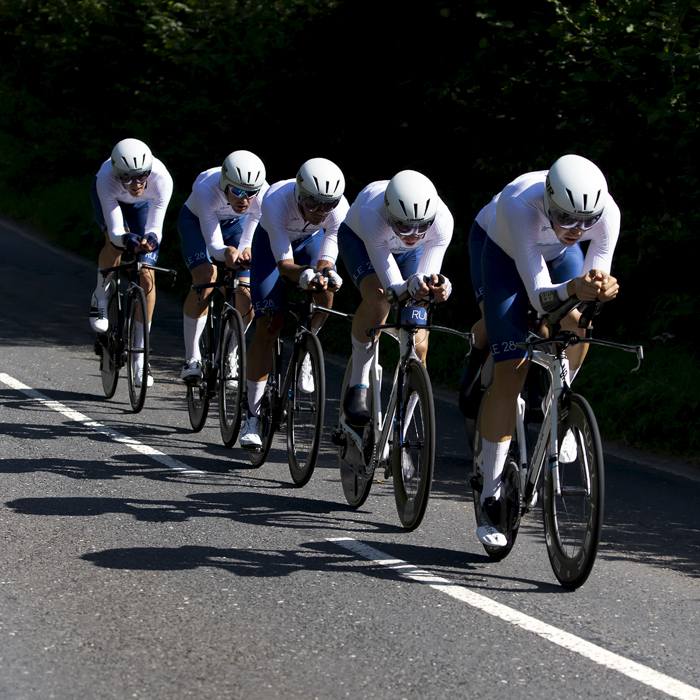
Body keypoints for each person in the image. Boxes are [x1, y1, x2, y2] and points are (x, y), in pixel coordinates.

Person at [474, 154, 620, 547]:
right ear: (549, 203)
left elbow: (591, 283)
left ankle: (558, 398)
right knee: (513, 369)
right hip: (503, 249)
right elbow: (541, 299)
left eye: (587, 221)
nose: (578, 230)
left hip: (552, 258)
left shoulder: (607, 213)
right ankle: (490, 497)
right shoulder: (520, 203)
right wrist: (574, 289)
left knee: (579, 322)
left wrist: (599, 289)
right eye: (567, 219)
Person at [239, 157, 348, 449]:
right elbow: (286, 266)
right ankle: (251, 415)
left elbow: (327, 253)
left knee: (325, 292)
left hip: (308, 243)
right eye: (312, 203)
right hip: (272, 249)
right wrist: (306, 274)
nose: (319, 212)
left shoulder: (339, 210)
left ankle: (308, 347)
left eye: (327, 205)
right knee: (269, 325)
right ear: (299, 193)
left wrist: (326, 274)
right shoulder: (275, 200)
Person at [338, 170, 454, 427]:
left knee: (420, 340)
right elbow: (393, 289)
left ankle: (401, 427)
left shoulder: (443, 220)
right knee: (380, 298)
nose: (413, 234)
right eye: (403, 225)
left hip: (408, 254)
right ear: (390, 214)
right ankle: (359, 383)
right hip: (362, 241)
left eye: (422, 226)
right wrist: (409, 286)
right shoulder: (372, 213)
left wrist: (437, 286)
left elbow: (425, 278)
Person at [178, 150, 269, 384]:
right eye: (237, 191)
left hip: (237, 225)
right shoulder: (206, 189)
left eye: (250, 193)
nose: (244, 199)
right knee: (206, 277)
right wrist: (227, 253)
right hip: (197, 223)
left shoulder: (263, 193)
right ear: (225, 184)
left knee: (246, 295)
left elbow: (252, 227)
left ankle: (230, 352)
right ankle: (192, 357)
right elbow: (216, 247)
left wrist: (246, 249)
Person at [89, 138, 173, 387]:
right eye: (126, 177)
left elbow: (155, 227)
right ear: (116, 172)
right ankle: (100, 298)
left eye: (141, 176)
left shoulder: (161, 179)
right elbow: (116, 231)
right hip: (113, 203)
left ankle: (140, 359)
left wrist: (149, 240)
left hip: (143, 207)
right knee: (114, 244)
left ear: (150, 170)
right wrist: (127, 238)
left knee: (146, 274)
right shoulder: (106, 177)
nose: (136, 183)